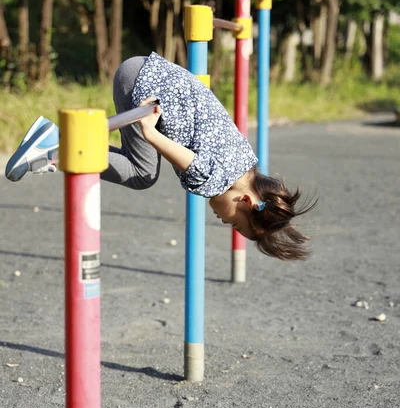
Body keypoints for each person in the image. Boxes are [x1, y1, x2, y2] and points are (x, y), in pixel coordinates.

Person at [5, 52, 316, 260]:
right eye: (234, 224)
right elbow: (187, 160)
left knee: (138, 165)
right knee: (141, 175)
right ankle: (57, 145)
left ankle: (56, 147)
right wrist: (150, 132)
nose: (221, 219)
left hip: (154, 72)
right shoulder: (214, 182)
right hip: (143, 84)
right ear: (246, 202)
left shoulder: (245, 160)